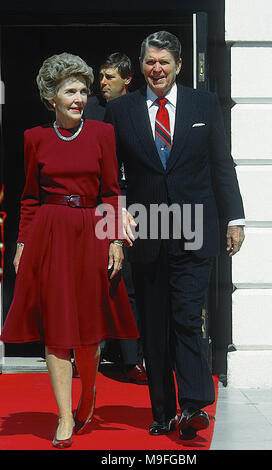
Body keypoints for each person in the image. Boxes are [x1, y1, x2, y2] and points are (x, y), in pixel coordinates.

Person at [104, 31, 245, 440]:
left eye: (164, 61)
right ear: (141, 66)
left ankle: (194, 405)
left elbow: (222, 163)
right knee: (155, 324)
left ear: (179, 66)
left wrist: (234, 219)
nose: (157, 68)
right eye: (150, 61)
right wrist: (115, 217)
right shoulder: (122, 110)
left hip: (196, 228)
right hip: (147, 233)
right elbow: (110, 175)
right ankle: (163, 412)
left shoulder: (203, 105)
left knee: (186, 317)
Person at [0, 52, 139, 448]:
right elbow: (28, 198)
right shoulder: (34, 138)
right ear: (52, 97)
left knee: (88, 333)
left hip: (91, 233)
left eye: (83, 90)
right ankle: (64, 416)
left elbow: (112, 191)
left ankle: (90, 392)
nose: (79, 98)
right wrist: (22, 243)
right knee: (57, 331)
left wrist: (115, 238)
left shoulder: (102, 134)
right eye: (70, 91)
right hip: (49, 235)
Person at [84, 52, 147, 385]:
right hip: (93, 205)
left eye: (110, 77)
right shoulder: (91, 109)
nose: (102, 83)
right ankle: (87, 354)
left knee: (129, 285)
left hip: (133, 208)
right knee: (92, 283)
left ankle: (131, 358)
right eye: (101, 76)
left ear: (127, 79)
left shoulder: (139, 108)